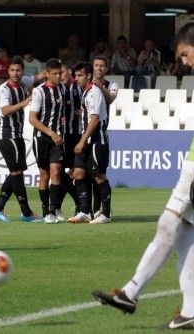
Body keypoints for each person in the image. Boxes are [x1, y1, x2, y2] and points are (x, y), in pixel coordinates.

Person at [92, 22, 194, 329]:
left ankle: (131, 292)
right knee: (185, 232)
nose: (185, 62)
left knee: (167, 224)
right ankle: (190, 312)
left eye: (186, 54)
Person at [0, 56, 42, 223]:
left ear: (22, 71)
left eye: (18, 70)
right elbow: (5, 111)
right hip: (7, 136)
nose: (15, 73)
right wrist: (23, 103)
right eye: (12, 70)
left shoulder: (23, 84)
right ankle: (26, 212)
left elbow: (38, 77)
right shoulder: (4, 89)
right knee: (17, 173)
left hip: (17, 135)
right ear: (8, 71)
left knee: (16, 173)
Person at [67, 62, 112, 224]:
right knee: (79, 173)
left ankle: (106, 214)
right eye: (75, 75)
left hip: (96, 141)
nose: (76, 78)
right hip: (87, 140)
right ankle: (85, 211)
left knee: (99, 176)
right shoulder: (86, 92)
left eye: (80, 75)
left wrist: (82, 141)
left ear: (88, 76)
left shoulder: (93, 92)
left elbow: (95, 119)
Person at [29, 58, 65, 224]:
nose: (58, 76)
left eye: (60, 73)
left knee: (56, 172)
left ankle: (53, 210)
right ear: (47, 74)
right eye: (55, 73)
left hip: (57, 138)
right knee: (44, 175)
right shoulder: (39, 91)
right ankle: (45, 211)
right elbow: (32, 119)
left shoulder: (62, 89)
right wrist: (51, 132)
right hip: (42, 137)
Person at [91, 55, 118, 220]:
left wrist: (99, 87)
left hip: (100, 133)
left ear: (106, 69)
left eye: (102, 66)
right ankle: (93, 210)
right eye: (96, 65)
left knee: (99, 173)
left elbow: (110, 98)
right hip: (85, 133)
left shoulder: (111, 85)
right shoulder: (85, 83)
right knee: (88, 174)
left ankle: (104, 210)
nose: (99, 68)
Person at [56, 63, 81, 220]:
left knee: (75, 172)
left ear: (69, 72)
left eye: (63, 72)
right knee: (60, 170)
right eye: (58, 73)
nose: (60, 75)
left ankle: (79, 205)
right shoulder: (58, 90)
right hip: (62, 135)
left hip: (77, 135)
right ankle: (78, 203)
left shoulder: (79, 88)